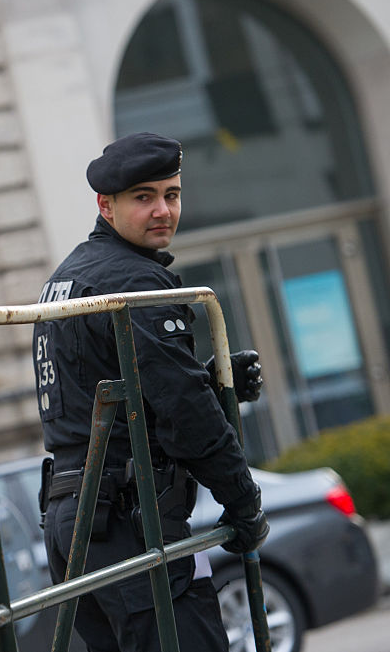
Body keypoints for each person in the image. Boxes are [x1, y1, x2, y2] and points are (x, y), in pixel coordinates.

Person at [32, 132, 269, 652]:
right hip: (126, 519)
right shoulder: (133, 281)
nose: (163, 210)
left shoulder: (68, 276)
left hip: (74, 521)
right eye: (144, 197)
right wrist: (243, 499)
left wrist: (210, 381)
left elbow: (116, 396)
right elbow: (184, 412)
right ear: (106, 205)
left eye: (172, 194)